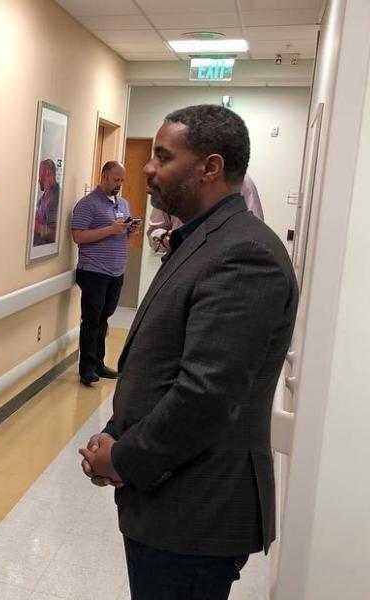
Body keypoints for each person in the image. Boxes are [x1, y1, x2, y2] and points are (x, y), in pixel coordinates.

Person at [79, 104, 298, 600]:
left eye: (162, 156)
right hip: (166, 503)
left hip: (195, 511)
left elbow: (206, 395)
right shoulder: (201, 239)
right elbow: (161, 362)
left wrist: (125, 459)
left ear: (210, 167)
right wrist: (114, 433)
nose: (147, 168)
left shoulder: (245, 254)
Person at [71, 161, 140, 386]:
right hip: (93, 271)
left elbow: (121, 235)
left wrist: (129, 230)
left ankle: (99, 363)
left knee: (104, 318)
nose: (119, 184)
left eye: (122, 180)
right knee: (91, 320)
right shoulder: (87, 204)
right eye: (115, 180)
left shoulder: (123, 204)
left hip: (116, 271)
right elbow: (79, 236)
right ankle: (87, 368)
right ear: (103, 177)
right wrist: (111, 229)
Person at [147, 174, 264, 252]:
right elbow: (154, 231)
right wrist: (164, 238)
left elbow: (255, 232)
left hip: (224, 267)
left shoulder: (240, 181)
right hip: (179, 264)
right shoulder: (171, 181)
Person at [33, 157, 60, 245]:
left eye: (42, 174)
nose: (39, 178)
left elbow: (54, 235)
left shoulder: (54, 198)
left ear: (50, 174)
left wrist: (35, 225)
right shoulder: (45, 196)